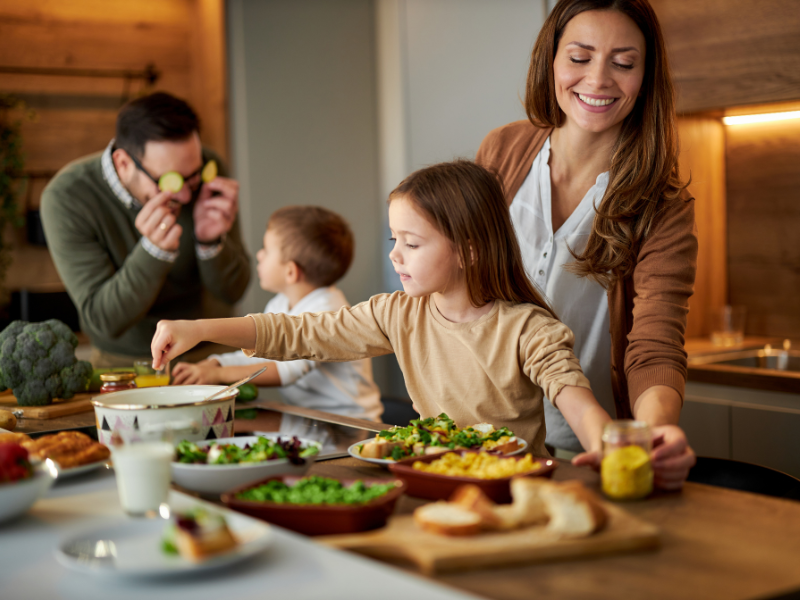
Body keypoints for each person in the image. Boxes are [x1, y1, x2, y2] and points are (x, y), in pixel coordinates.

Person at [151, 160, 616, 460]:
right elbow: (298, 335)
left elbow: (575, 399)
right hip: (430, 475)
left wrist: (605, 448)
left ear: (469, 251)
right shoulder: (397, 314)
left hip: (509, 486)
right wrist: (198, 329)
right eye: (395, 240)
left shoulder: (528, 330)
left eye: (411, 243)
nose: (395, 255)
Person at [475, 0, 696, 488]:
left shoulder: (663, 203)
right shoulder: (502, 153)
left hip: (584, 451)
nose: (598, 80)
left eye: (623, 63)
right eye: (579, 57)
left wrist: (653, 434)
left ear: (645, 76)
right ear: (550, 61)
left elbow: (655, 345)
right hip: (479, 439)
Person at [40, 92, 250, 367]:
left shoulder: (205, 167)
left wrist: (210, 243)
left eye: (193, 177)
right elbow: (104, 320)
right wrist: (153, 252)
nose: (187, 195)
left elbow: (234, 292)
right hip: (127, 364)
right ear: (124, 164)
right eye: (171, 181)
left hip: (209, 357)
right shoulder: (67, 196)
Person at [170, 206, 383, 422]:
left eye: (266, 250)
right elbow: (260, 352)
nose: (259, 255)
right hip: (309, 419)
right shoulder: (280, 303)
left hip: (350, 422)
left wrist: (217, 375)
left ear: (291, 272)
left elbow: (287, 371)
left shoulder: (329, 310)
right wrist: (216, 363)